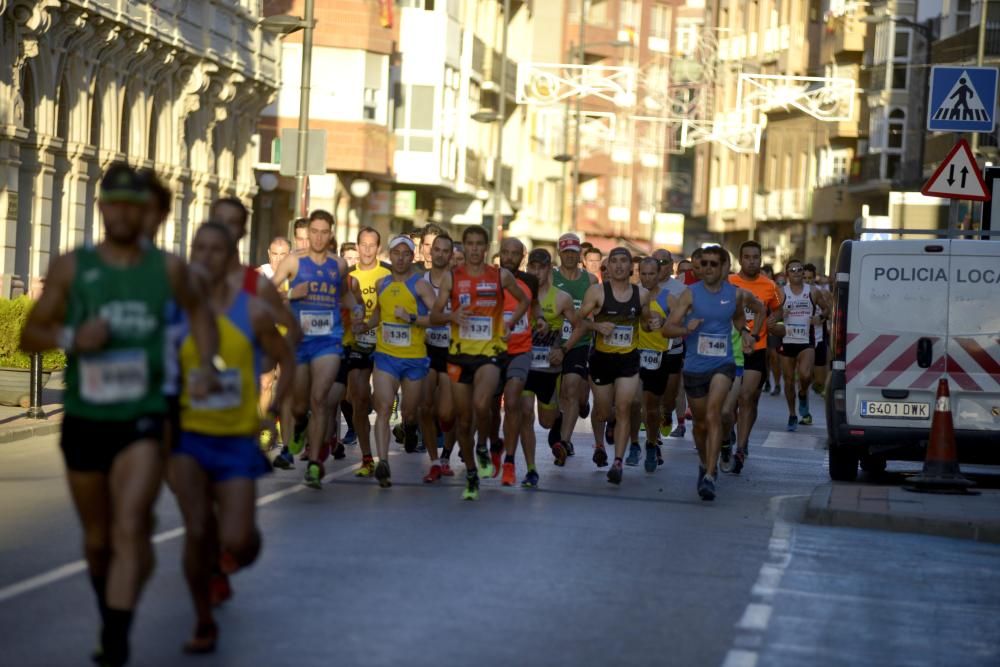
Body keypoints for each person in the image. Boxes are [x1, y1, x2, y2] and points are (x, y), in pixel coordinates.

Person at [20, 163, 219, 667]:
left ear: (143, 211)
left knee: (130, 524)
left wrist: (203, 367)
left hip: (144, 416)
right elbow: (31, 335)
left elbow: (201, 317)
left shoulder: (169, 269)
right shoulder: (73, 266)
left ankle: (116, 635)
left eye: (135, 204)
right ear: (102, 207)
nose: (125, 213)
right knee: (98, 538)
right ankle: (110, 613)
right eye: (116, 203)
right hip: (87, 418)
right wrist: (71, 337)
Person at [169, 222, 294, 654]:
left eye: (215, 250)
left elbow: (287, 357)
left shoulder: (253, 310)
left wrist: (275, 408)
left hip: (238, 439)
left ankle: (230, 561)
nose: (206, 257)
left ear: (230, 258)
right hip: (187, 437)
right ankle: (203, 621)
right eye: (198, 249)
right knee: (198, 528)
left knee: (240, 539)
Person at [429, 225, 529, 501]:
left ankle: (484, 446)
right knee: (462, 421)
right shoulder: (452, 278)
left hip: (489, 353)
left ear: (486, 248)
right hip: (459, 354)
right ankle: (472, 471)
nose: (474, 249)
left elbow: (524, 301)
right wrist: (452, 317)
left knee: (482, 404)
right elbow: (435, 316)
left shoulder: (500, 276)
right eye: (469, 244)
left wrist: (509, 323)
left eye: (478, 244)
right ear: (464, 247)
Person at [662, 246, 764, 501]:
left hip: (723, 363)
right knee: (699, 424)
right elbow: (667, 330)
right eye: (704, 263)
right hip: (696, 366)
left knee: (714, 413)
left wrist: (750, 334)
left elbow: (752, 312)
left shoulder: (736, 294)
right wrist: (686, 328)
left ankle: (710, 473)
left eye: (713, 264)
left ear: (723, 268)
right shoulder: (690, 294)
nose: (707, 268)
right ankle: (703, 461)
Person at [270, 210, 352, 488]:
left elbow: (345, 295)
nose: (317, 237)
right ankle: (299, 427)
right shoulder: (294, 261)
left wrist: (360, 308)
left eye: (322, 232)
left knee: (319, 399)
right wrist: (292, 294)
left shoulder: (339, 265)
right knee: (300, 404)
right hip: (301, 341)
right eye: (313, 232)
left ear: (330, 235)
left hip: (329, 340)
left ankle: (316, 463)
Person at [565, 247, 652, 485]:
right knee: (604, 411)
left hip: (628, 360)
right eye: (615, 262)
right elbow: (578, 319)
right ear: (609, 266)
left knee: (623, 407)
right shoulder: (596, 292)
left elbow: (646, 322)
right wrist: (597, 327)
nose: (620, 266)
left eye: (624, 261)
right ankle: (600, 442)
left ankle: (618, 462)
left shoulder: (641, 294)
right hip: (602, 359)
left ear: (631, 268)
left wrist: (653, 323)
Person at [359, 236, 438, 487]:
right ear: (389, 255)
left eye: (406, 253)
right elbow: (377, 317)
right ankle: (383, 462)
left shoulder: (421, 285)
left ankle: (409, 426)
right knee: (382, 408)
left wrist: (412, 317)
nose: (401, 258)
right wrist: (362, 325)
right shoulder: (382, 284)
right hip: (385, 356)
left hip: (414, 359)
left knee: (410, 411)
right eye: (396, 253)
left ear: (413, 256)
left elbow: (437, 317)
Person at [519, 249, 576, 488]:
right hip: (523, 364)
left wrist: (562, 349)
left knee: (545, 421)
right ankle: (531, 468)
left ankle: (558, 419)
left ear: (549, 269)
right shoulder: (517, 293)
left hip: (549, 369)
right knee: (525, 415)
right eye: (532, 267)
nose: (536, 272)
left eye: (541, 267)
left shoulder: (561, 298)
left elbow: (579, 327)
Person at [728, 240, 782, 475]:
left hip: (756, 348)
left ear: (761, 260)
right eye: (747, 257)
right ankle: (733, 430)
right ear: (741, 260)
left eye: (755, 257)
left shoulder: (769, 286)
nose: (752, 261)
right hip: (731, 349)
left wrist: (774, 319)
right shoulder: (729, 283)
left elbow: (779, 308)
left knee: (747, 397)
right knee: (730, 404)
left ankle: (741, 445)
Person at [344, 227, 392, 478]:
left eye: (371, 245)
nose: (366, 249)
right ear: (357, 246)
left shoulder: (387, 275)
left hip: (385, 343)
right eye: (362, 244)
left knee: (379, 400)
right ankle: (366, 458)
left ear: (378, 248)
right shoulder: (348, 277)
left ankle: (384, 406)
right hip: (357, 342)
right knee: (357, 400)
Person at [496, 238, 540, 486]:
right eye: (506, 252)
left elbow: (535, 307)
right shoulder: (490, 278)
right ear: (499, 253)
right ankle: (494, 447)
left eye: (515, 254)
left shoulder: (529, 281)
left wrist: (541, 319)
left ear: (522, 257)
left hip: (521, 351)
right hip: (491, 352)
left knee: (519, 406)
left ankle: (517, 463)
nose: (510, 257)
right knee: (488, 408)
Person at [551, 233, 598, 461]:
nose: (570, 256)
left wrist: (592, 325)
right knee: (558, 400)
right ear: (559, 253)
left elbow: (596, 312)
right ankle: (560, 423)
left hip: (579, 342)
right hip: (552, 342)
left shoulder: (590, 281)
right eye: (565, 251)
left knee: (571, 388)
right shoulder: (550, 277)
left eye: (573, 251)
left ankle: (565, 441)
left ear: (579, 253)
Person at [627, 257, 675, 472]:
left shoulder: (669, 298)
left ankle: (652, 444)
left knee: (652, 408)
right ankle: (634, 444)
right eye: (643, 273)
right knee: (633, 402)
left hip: (659, 356)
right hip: (633, 354)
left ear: (659, 274)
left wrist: (665, 323)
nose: (647, 278)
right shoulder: (631, 294)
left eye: (651, 274)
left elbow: (679, 323)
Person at [420, 234, 458, 482]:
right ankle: (435, 461)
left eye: (446, 251)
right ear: (429, 252)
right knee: (424, 407)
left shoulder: (459, 282)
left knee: (446, 413)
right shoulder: (419, 281)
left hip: (452, 350)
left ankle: (446, 455)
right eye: (437, 249)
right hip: (425, 349)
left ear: (451, 255)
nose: (441, 254)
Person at [775, 259, 828, 431]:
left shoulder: (813, 292)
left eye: (799, 269)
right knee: (789, 381)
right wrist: (780, 315)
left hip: (806, 340)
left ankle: (803, 393)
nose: (796, 272)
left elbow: (827, 310)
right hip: (787, 340)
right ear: (787, 273)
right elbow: (771, 315)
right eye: (792, 270)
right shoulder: (781, 292)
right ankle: (792, 414)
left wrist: (819, 318)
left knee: (805, 375)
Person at [803, 263, 831, 395]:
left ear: (815, 278)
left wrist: (819, 318)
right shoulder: (795, 293)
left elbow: (831, 314)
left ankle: (817, 383)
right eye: (805, 278)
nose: (808, 281)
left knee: (820, 380)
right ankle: (803, 403)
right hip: (802, 340)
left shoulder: (823, 293)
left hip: (819, 338)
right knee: (804, 375)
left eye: (810, 278)